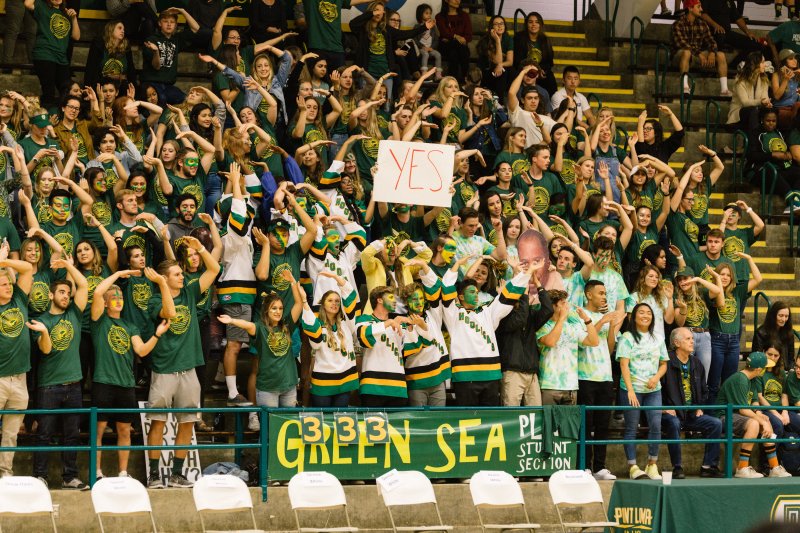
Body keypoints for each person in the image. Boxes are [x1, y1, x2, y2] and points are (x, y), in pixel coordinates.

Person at [145, 237, 221, 489]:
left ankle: (177, 473)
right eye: (176, 274)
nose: (181, 277)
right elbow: (170, 312)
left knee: (187, 421)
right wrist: (162, 285)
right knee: (158, 421)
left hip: (189, 368)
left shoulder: (189, 291)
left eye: (181, 273)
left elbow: (214, 270)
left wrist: (200, 248)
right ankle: (154, 475)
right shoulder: (155, 300)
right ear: (164, 278)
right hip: (164, 369)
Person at [90, 269, 168, 480]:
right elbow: (97, 293)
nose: (118, 300)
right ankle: (96, 472)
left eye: (120, 297)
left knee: (124, 431)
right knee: (98, 431)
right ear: (106, 303)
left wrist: (157, 335)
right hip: (103, 382)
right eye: (113, 298)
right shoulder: (99, 322)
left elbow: (141, 351)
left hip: (126, 384)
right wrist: (119, 274)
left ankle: (123, 473)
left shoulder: (130, 325)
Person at [439, 255, 534, 405]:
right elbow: (446, 289)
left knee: (491, 421)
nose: (476, 295)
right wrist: (457, 264)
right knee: (469, 422)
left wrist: (525, 274)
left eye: (477, 293)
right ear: (461, 297)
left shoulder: (488, 311)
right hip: (465, 376)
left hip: (491, 376)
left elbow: (507, 296)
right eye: (471, 292)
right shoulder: (454, 314)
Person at [32, 257, 88, 489]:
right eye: (62, 292)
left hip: (74, 385)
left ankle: (69, 477)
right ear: (51, 296)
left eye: (68, 293)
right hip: (49, 386)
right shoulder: (40, 320)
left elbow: (83, 285)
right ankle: (40, 477)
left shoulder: (74, 313)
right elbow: (46, 349)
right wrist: (45, 332)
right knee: (44, 434)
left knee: (71, 435)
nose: (66, 296)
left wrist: (68, 267)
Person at [218, 270, 304, 409]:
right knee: (269, 427)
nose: (278, 311)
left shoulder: (287, 325)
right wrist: (232, 320)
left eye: (280, 308)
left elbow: (298, 304)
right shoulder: (260, 328)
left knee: (288, 426)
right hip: (268, 389)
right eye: (273, 308)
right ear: (266, 311)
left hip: (289, 386)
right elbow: (247, 324)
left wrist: (293, 282)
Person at [713, 351, 792, 478]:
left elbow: (754, 402)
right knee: (755, 423)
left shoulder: (753, 379)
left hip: (740, 417)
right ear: (759, 369)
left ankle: (774, 467)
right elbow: (743, 410)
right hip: (724, 417)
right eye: (765, 368)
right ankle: (742, 468)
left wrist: (762, 417)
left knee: (765, 420)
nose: (766, 370)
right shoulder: (740, 379)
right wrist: (760, 421)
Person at [662, 327, 724, 479]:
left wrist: (699, 407)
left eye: (692, 338)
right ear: (676, 343)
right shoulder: (666, 362)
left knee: (715, 423)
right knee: (673, 423)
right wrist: (663, 408)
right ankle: (677, 467)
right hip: (671, 412)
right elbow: (659, 389)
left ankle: (708, 466)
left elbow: (704, 390)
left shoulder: (696, 363)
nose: (692, 341)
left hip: (690, 413)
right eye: (688, 339)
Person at [579, 280, 625, 480]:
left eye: (605, 293)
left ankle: (599, 467)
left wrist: (612, 327)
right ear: (589, 294)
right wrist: (601, 321)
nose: (604, 297)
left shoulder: (605, 318)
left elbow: (609, 348)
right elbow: (583, 342)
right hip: (585, 376)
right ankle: (584, 467)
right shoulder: (579, 314)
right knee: (586, 425)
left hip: (605, 377)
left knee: (602, 425)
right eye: (600, 293)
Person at [617, 302, 669, 480]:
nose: (645, 315)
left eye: (649, 313)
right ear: (634, 316)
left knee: (656, 425)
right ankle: (632, 466)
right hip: (632, 389)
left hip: (653, 389)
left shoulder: (658, 337)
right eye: (641, 312)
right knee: (631, 427)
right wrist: (630, 390)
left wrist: (656, 378)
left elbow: (664, 364)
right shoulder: (627, 337)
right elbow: (624, 364)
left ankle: (652, 464)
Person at [356, 286, 431, 407]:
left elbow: (417, 346)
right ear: (379, 300)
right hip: (373, 387)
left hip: (398, 388)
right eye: (391, 297)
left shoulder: (398, 325)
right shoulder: (365, 319)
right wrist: (388, 323)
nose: (395, 301)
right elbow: (363, 338)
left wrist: (418, 326)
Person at [496, 261, 553, 406]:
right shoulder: (501, 317)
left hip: (532, 373)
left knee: (535, 417)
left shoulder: (531, 316)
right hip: (512, 373)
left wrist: (538, 284)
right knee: (511, 416)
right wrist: (524, 294)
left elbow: (548, 310)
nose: (522, 293)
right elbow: (520, 319)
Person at [0, 242, 35, 478]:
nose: (8, 287)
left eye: (8, 283)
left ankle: (5, 472)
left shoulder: (19, 300)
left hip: (20, 377)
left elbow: (27, 269)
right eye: (2, 284)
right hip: (0, 377)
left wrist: (3, 263)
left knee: (11, 433)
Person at [536, 289, 599, 405]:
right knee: (549, 422)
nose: (567, 307)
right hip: (549, 385)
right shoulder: (543, 326)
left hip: (571, 386)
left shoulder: (572, 327)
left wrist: (587, 320)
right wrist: (561, 319)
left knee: (569, 423)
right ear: (553, 306)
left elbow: (594, 342)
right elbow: (550, 342)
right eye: (563, 303)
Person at [25, 0, 81, 109]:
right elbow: (27, 3)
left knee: (67, 92)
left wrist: (74, 18)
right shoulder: (42, 6)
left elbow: (76, 36)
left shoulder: (65, 12)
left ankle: (62, 120)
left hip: (61, 58)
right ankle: (47, 122)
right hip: (44, 54)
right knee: (49, 92)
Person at [140, 8, 201, 105]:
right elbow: (156, 66)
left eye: (172, 22)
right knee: (162, 99)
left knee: (185, 99)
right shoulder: (151, 40)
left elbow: (196, 29)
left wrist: (182, 11)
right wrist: (156, 51)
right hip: (152, 84)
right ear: (160, 23)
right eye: (165, 21)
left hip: (168, 86)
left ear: (176, 25)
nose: (169, 24)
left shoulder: (176, 39)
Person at [672, 0, 731, 97]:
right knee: (686, 52)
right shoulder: (678, 24)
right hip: (680, 56)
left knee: (720, 54)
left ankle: (724, 90)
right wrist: (699, 54)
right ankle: (685, 86)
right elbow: (682, 44)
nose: (701, 9)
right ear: (690, 8)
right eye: (699, 7)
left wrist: (712, 52)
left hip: (697, 55)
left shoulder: (702, 24)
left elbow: (711, 41)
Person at [436, 0, 472, 84]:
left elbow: (469, 35)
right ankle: (465, 78)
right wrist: (456, 36)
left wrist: (452, 37)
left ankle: (453, 80)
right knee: (458, 46)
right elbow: (444, 32)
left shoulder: (464, 16)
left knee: (454, 53)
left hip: (458, 47)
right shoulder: (440, 16)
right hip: (445, 46)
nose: (458, 1)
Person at [752, 302, 796, 371]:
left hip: (785, 371)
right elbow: (757, 358)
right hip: (766, 370)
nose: (784, 319)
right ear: (773, 315)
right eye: (781, 315)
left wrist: (790, 371)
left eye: (786, 316)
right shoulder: (761, 333)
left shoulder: (789, 332)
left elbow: (791, 358)